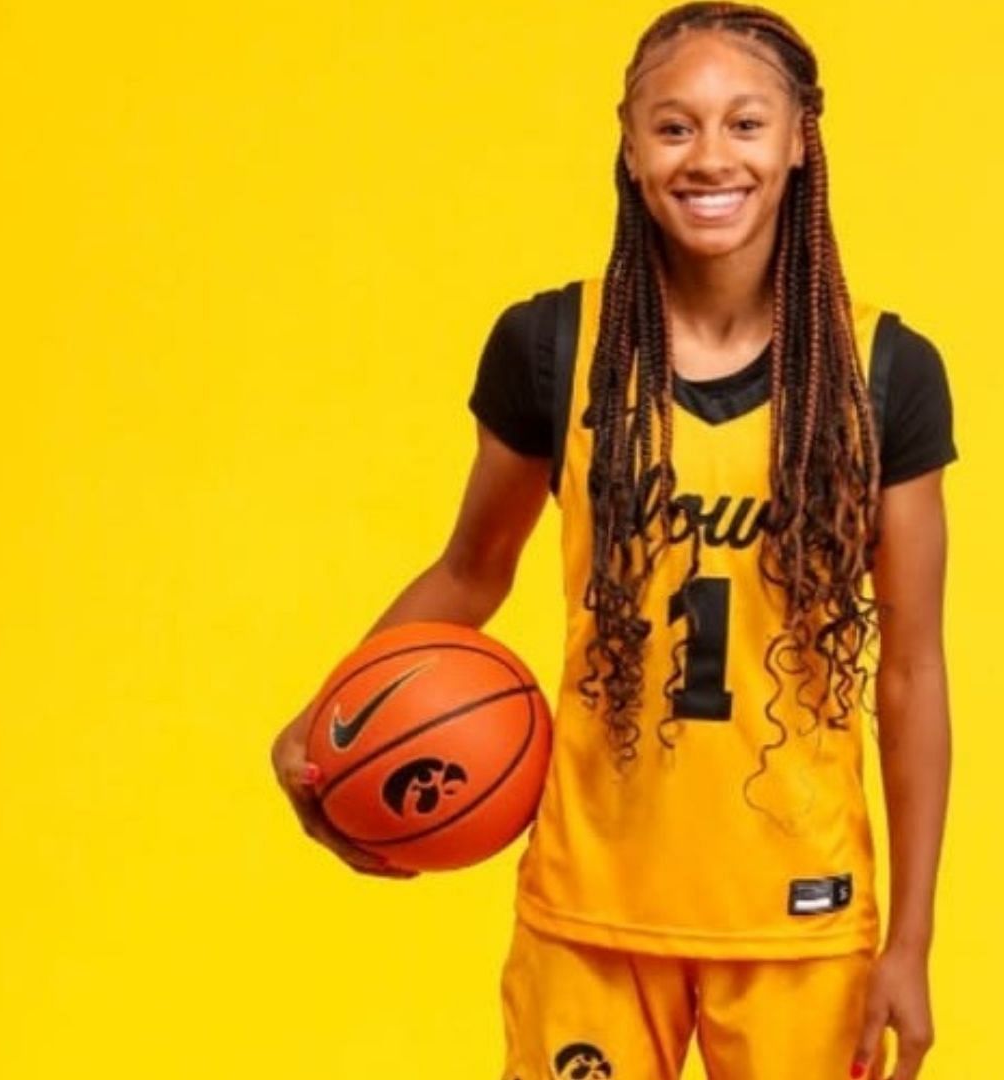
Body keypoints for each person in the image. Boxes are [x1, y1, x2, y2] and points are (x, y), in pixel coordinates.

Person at [270, 5, 956, 1078]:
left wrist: (910, 940)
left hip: (797, 919)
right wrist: (327, 722)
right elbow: (469, 571)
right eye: (674, 127)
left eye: (745, 122)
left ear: (798, 140)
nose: (710, 156)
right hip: (590, 904)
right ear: (631, 147)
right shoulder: (553, 348)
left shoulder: (881, 373)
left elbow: (911, 672)